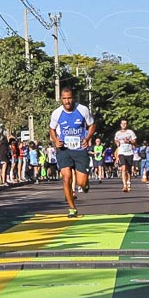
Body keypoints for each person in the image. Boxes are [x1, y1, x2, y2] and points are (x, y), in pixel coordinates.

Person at [49, 87, 95, 218]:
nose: (67, 101)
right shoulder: (56, 113)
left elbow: (92, 125)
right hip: (64, 150)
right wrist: (55, 140)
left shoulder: (83, 109)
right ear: (61, 100)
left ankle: (85, 185)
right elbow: (51, 129)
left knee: (81, 182)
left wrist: (87, 138)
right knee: (66, 178)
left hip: (80, 150)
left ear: (73, 98)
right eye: (64, 99)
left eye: (69, 98)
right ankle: (72, 208)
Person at [113, 119, 136, 192]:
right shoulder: (118, 133)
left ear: (127, 125)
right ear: (120, 125)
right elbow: (116, 140)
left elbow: (135, 141)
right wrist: (117, 143)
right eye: (122, 124)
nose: (124, 125)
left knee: (129, 169)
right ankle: (124, 185)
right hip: (121, 152)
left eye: (125, 124)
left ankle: (129, 181)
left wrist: (129, 141)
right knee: (123, 168)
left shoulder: (130, 132)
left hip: (129, 152)